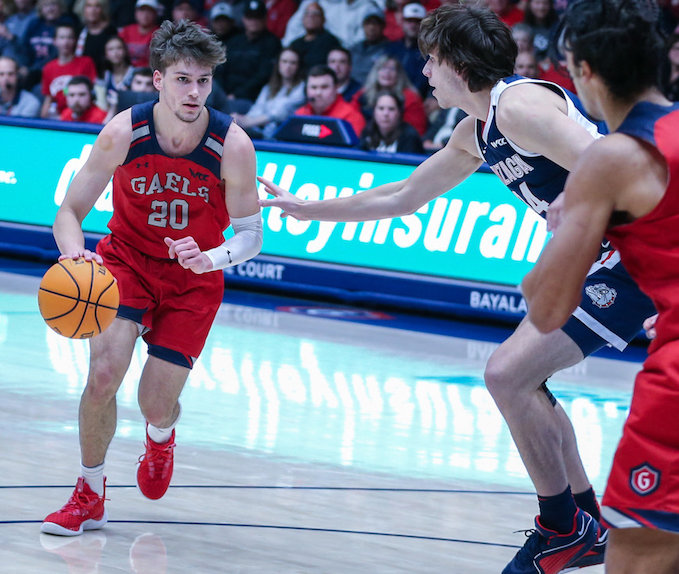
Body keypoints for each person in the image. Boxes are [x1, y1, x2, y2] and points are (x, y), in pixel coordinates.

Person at [259, 4, 658, 572]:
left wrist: (581, 208)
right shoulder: (478, 130)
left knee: (507, 374)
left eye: (430, 59)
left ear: (454, 63)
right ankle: (583, 523)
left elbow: (620, 164)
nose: (422, 71)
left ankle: (561, 527)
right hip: (597, 262)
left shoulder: (521, 105)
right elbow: (402, 196)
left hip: (632, 260)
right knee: (523, 379)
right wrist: (308, 211)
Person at [41, 19, 261, 537]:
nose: (195, 91)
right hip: (127, 264)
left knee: (153, 402)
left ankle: (160, 434)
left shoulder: (233, 145)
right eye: (184, 79)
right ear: (157, 79)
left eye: (204, 81)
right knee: (102, 377)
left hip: (194, 280)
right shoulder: (124, 132)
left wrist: (210, 257)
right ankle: (89, 494)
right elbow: (69, 212)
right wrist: (76, 257)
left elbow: (251, 235)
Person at [521, 0, 679, 572]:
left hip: (676, 387)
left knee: (638, 561)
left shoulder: (611, 158)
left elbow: (545, 309)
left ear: (584, 71)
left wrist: (562, 231)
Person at [214, 0, 281, 113]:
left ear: (265, 19)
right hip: (223, 94)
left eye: (257, 17)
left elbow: (263, 76)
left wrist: (236, 95)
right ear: (244, 19)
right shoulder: (234, 41)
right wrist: (221, 93)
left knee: (221, 110)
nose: (253, 21)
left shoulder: (272, 43)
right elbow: (220, 69)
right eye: (250, 17)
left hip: (251, 99)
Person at [233, 47, 305, 139]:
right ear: (278, 63)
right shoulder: (269, 87)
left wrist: (246, 122)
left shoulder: (302, 88)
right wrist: (241, 119)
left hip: (281, 136)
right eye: (284, 61)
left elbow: (279, 114)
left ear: (299, 66)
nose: (288, 66)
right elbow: (256, 110)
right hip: (259, 132)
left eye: (293, 63)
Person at [356, 54, 427, 135]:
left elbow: (416, 130)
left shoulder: (411, 97)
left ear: (399, 73)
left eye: (392, 69)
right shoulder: (364, 93)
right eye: (383, 68)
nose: (387, 72)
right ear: (376, 72)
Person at [41, 24, 97, 118]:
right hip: (58, 117)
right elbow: (48, 98)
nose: (65, 42)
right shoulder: (48, 68)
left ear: (75, 40)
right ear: (55, 41)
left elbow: (94, 93)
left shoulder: (86, 62)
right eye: (62, 37)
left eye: (69, 37)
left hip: (83, 116)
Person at [295, 64, 365, 136]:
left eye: (324, 87)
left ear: (336, 88)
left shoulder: (351, 116)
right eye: (313, 87)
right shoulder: (300, 114)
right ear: (306, 90)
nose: (318, 93)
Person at [282, 0, 382, 50]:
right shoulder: (313, 3)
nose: (311, 16)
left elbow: (362, 39)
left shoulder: (366, 6)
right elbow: (292, 30)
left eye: (316, 15)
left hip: (348, 53)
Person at [358, 90, 424, 153]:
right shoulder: (367, 132)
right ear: (374, 111)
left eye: (391, 109)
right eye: (381, 108)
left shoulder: (410, 136)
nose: (385, 114)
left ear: (399, 113)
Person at [386, 2, 429, 97]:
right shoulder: (391, 48)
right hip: (389, 97)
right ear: (402, 22)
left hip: (418, 99)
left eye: (417, 21)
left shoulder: (429, 52)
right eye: (409, 21)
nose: (413, 25)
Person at [287, 3, 342, 72]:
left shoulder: (330, 41)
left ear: (323, 19)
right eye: (307, 13)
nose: (311, 16)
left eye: (315, 13)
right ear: (302, 19)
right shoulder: (295, 44)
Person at [347, 9, 391, 88]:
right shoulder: (354, 49)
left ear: (383, 26)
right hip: (352, 91)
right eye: (368, 23)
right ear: (363, 26)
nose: (371, 27)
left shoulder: (390, 49)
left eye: (376, 23)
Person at [75, 0, 114, 72]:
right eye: (89, 6)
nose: (92, 10)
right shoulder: (80, 31)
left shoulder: (111, 31)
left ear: (103, 9)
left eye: (97, 6)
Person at [117, 0, 159, 68]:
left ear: (155, 14)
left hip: (148, 72)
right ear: (136, 13)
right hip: (126, 70)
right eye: (142, 10)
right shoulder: (126, 31)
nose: (145, 14)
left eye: (149, 11)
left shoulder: (160, 33)